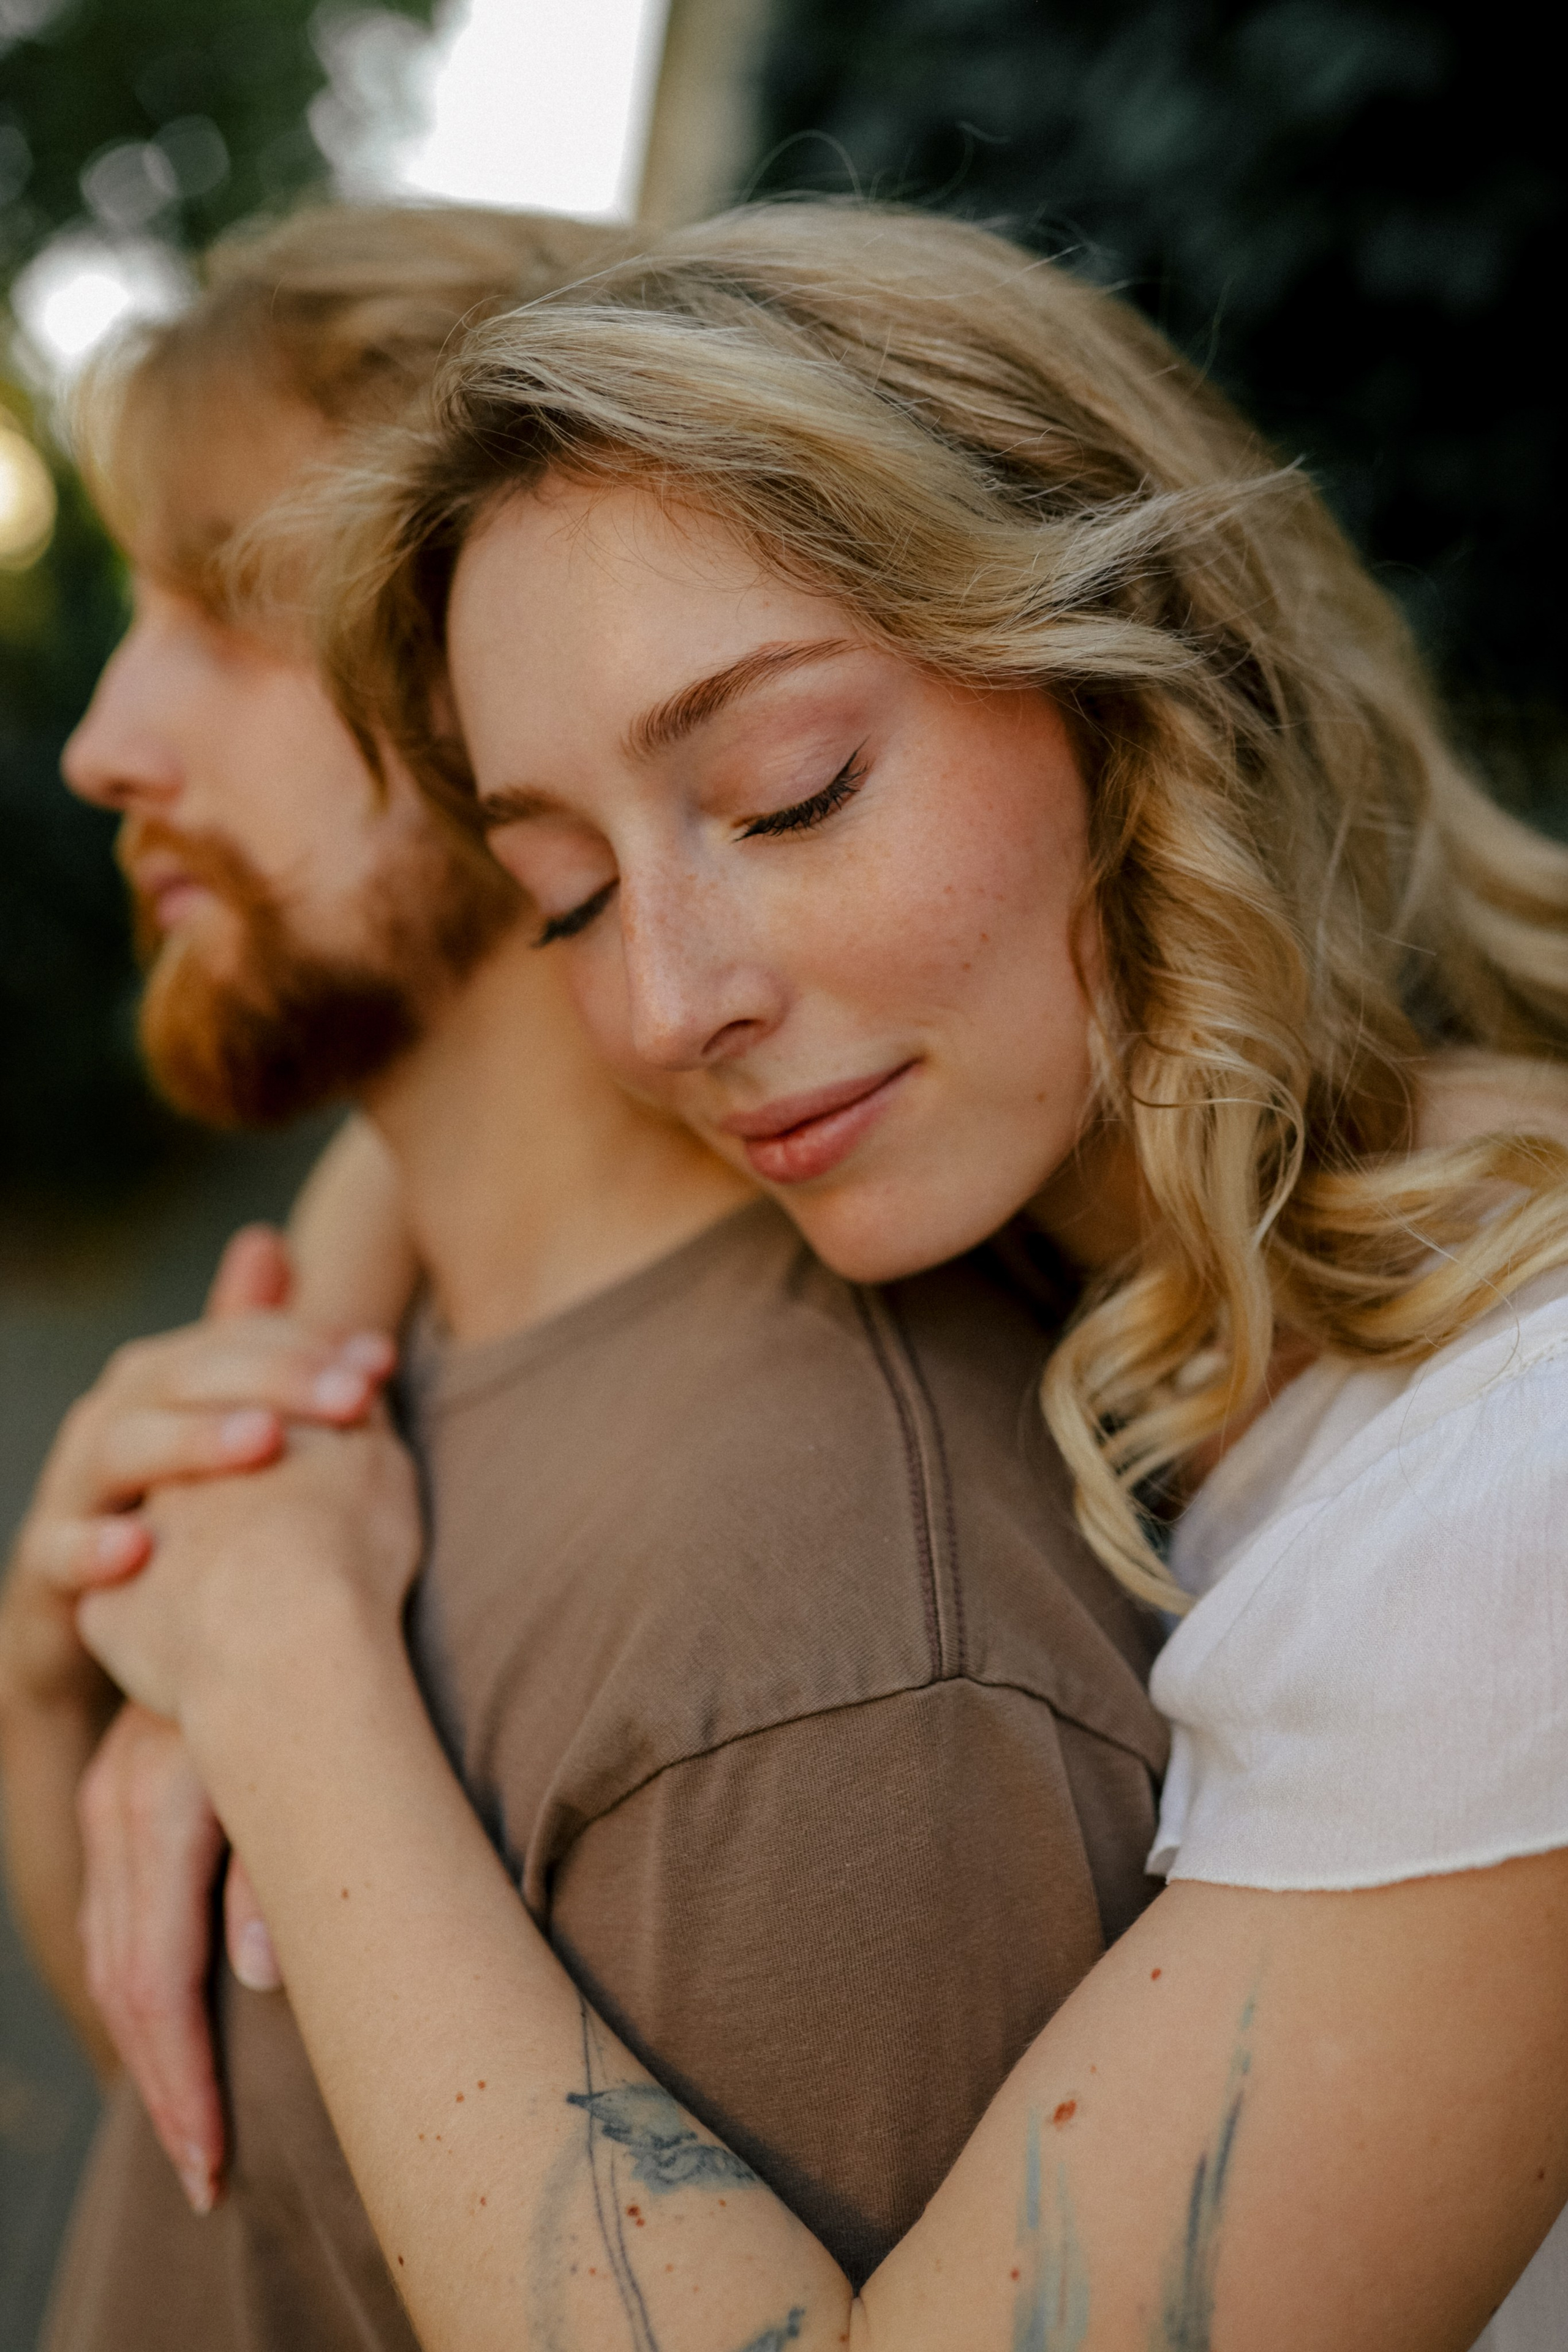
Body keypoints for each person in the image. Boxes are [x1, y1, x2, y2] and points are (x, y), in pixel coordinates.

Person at [69, 197, 1568, 2351]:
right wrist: (269, 1413)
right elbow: (440, 1139)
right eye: (567, 893)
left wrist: (280, 1660)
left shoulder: (1512, 1489)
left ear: (1133, 672)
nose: (667, 1007)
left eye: (790, 795)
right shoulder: (1079, 1239)